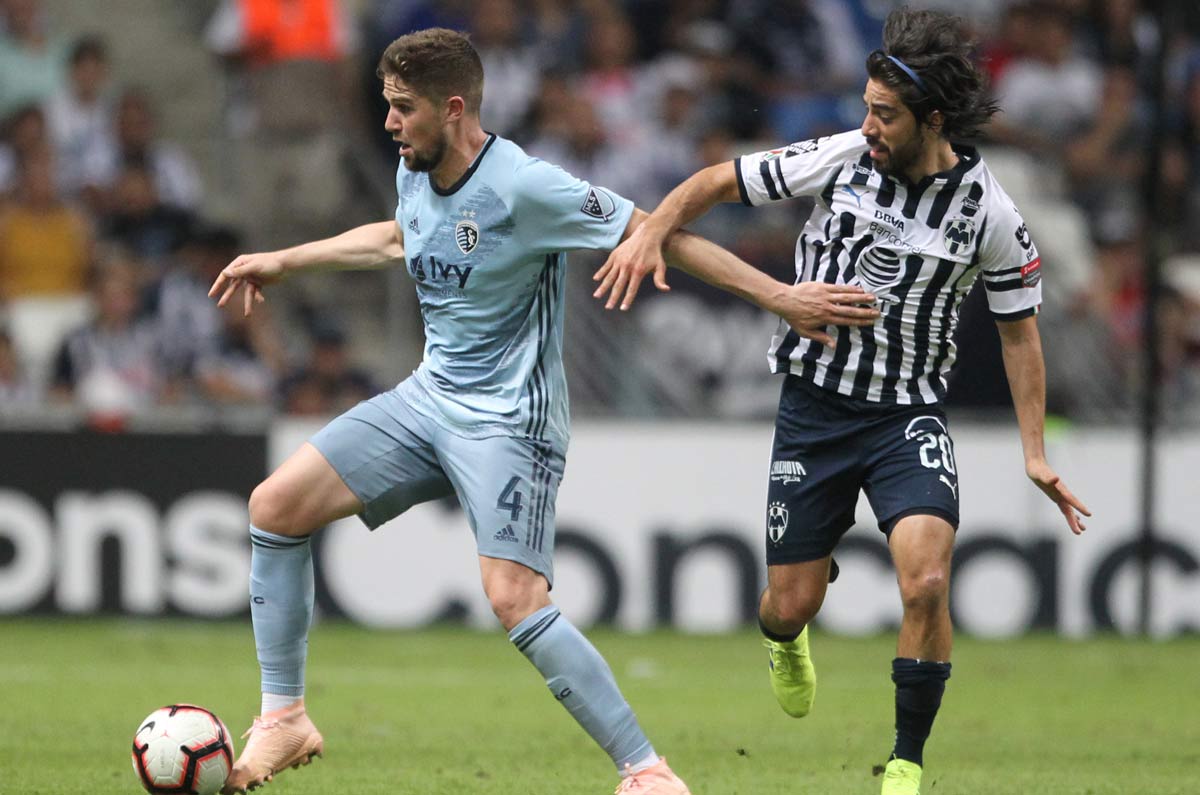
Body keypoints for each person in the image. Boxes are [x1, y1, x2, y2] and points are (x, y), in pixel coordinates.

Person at [208, 27, 880, 795]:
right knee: (276, 505)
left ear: (453, 108)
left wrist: (779, 295)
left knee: (514, 598)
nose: (387, 123)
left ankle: (647, 772)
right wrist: (285, 260)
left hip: (509, 424)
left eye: (402, 109)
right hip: (429, 399)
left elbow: (657, 231)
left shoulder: (525, 185)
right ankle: (285, 716)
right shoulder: (415, 167)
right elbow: (399, 236)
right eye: (387, 106)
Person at [595, 9, 1092, 795]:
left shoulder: (989, 212)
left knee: (926, 580)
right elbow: (718, 181)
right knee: (787, 604)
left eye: (882, 114)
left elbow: (1020, 334)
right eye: (865, 106)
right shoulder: (840, 157)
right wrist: (652, 230)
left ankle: (904, 761)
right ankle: (786, 636)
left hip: (907, 416)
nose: (865, 125)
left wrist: (1034, 451)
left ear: (932, 120)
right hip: (814, 410)